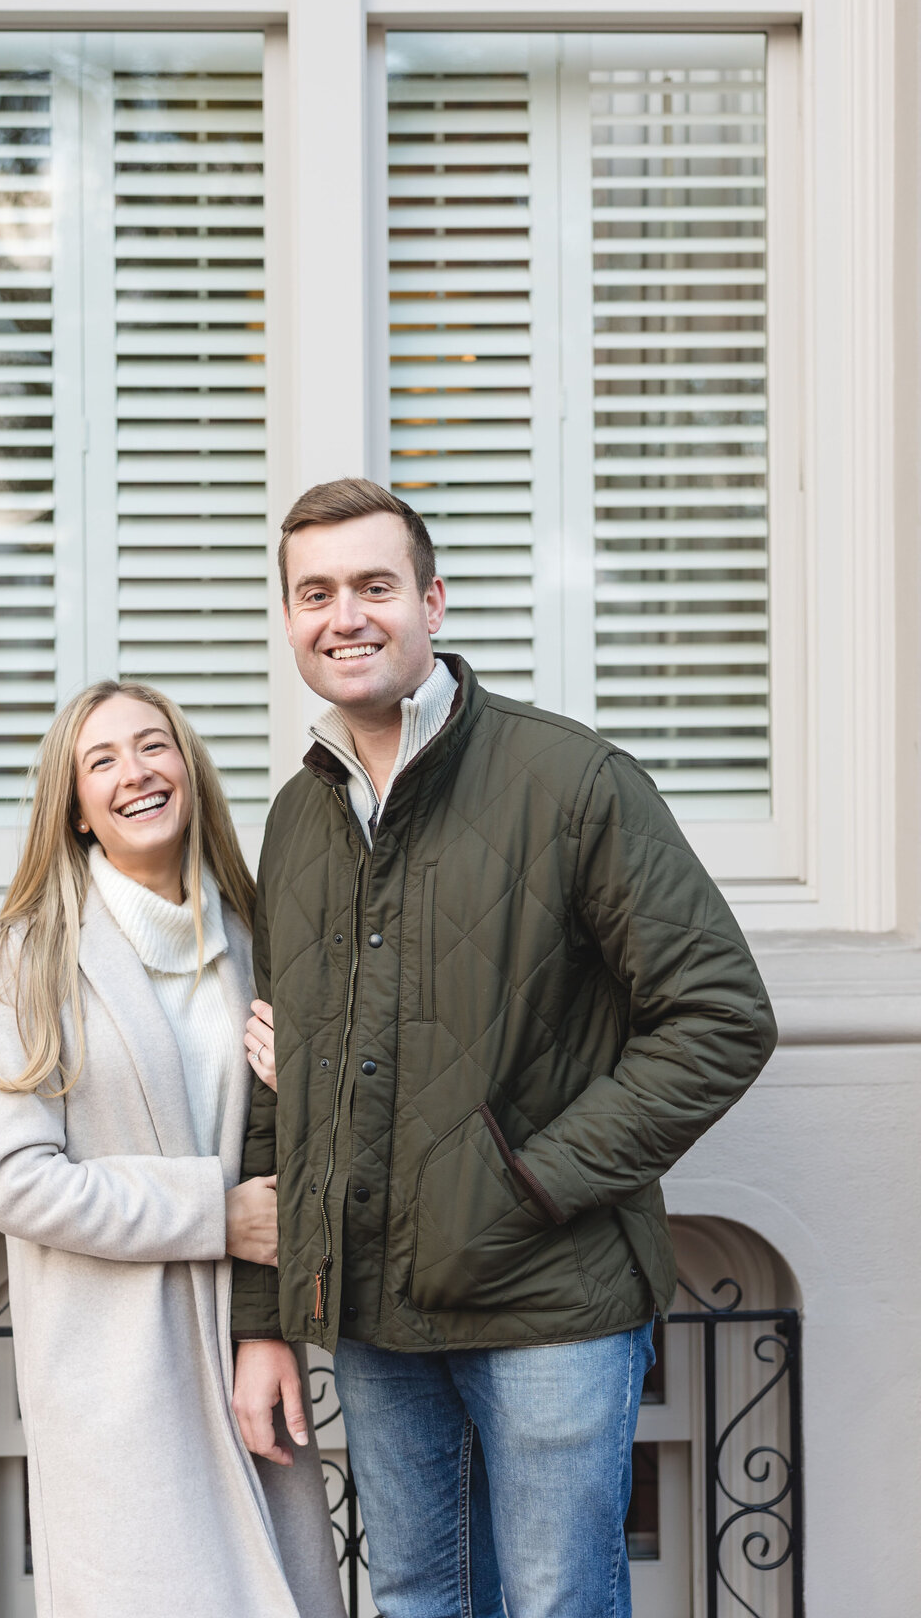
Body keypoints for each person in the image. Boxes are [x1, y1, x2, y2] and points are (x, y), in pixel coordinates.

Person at [231, 479, 778, 1618]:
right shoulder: (298, 816)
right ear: (289, 619)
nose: (346, 616)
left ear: (432, 601)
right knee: (421, 1599)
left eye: (375, 586)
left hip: (551, 1300)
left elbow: (721, 1016)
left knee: (554, 1602)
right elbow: (275, 1073)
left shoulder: (571, 781)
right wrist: (265, 1319)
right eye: (315, 593)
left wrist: (529, 1180)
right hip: (374, 1314)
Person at [0, 679, 346, 1618]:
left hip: (247, 1356)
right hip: (118, 1377)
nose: (135, 773)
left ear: (190, 770)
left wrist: (269, 1330)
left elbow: (287, 1148)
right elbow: (16, 1182)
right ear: (79, 809)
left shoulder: (261, 936)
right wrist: (216, 1214)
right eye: (102, 761)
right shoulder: (25, 958)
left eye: (153, 746)